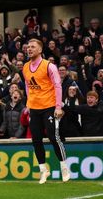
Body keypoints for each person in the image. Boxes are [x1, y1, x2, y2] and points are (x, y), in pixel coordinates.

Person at [22, 39, 70, 184]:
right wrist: (29, 103)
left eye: (33, 47)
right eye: (28, 47)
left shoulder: (49, 66)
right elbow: (27, 85)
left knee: (53, 136)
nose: (29, 49)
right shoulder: (25, 67)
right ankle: (43, 170)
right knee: (35, 140)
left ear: (40, 50)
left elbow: (57, 86)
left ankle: (64, 167)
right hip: (35, 108)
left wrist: (58, 107)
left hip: (49, 106)